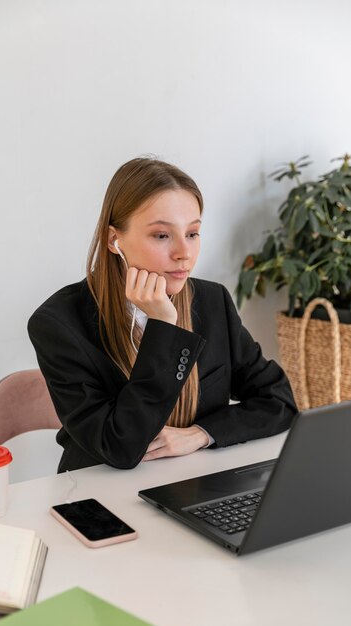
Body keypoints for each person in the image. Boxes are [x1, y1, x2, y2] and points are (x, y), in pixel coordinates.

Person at [28, 156, 297, 472]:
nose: (184, 253)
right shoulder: (58, 323)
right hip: (98, 493)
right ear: (114, 240)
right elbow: (120, 447)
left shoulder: (212, 301)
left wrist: (201, 434)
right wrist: (163, 328)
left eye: (193, 233)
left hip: (195, 478)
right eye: (162, 235)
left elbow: (278, 401)